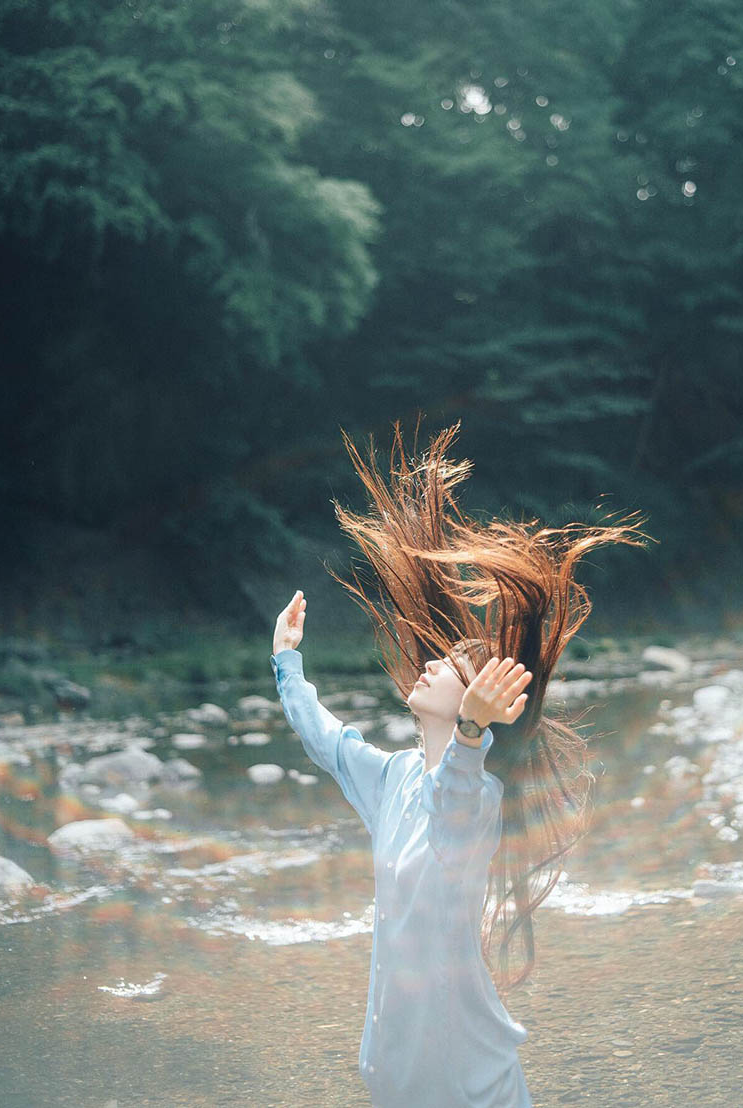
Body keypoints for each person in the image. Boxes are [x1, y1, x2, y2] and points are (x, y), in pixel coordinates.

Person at [270, 417, 651, 1107]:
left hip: (468, 1079)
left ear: (474, 700)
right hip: (396, 1067)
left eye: (451, 665)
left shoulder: (475, 800)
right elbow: (326, 742)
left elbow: (456, 792)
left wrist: (474, 729)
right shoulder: (391, 780)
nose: (432, 666)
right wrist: (286, 662)